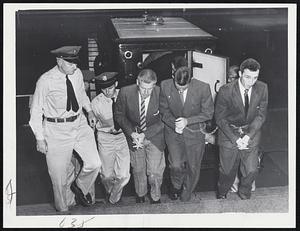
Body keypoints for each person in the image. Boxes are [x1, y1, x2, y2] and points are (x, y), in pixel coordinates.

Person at [29, 46, 101, 213]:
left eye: (76, 63)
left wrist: (89, 110)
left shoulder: (77, 74)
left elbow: (81, 95)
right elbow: (36, 110)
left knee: (94, 163)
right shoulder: (45, 81)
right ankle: (63, 212)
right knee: (59, 179)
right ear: (59, 61)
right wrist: (39, 138)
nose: (75, 67)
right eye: (70, 63)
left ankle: (79, 186)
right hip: (56, 130)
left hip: (79, 124)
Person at [215, 58, 268, 200]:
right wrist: (236, 139)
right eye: (248, 77)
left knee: (251, 170)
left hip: (251, 132)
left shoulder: (262, 88)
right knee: (227, 171)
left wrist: (248, 136)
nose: (251, 82)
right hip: (229, 133)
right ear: (240, 73)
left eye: (255, 77)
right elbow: (220, 119)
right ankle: (222, 193)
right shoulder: (225, 91)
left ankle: (245, 194)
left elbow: (261, 116)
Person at [159, 66, 214, 202]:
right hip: (173, 132)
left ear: (191, 80)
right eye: (178, 87)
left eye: (184, 88)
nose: (180, 90)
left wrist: (187, 121)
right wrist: (174, 123)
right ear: (173, 78)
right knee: (175, 164)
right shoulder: (165, 85)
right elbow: (163, 111)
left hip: (194, 132)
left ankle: (187, 191)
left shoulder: (203, 88)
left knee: (193, 166)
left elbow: (208, 113)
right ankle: (176, 185)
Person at [115, 69, 165, 204]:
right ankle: (141, 195)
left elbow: (165, 120)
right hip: (135, 136)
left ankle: (155, 197)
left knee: (154, 172)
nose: (146, 93)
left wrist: (145, 134)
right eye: (143, 88)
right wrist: (131, 133)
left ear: (154, 85)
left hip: (154, 136)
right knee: (138, 169)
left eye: (150, 89)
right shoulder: (125, 92)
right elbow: (119, 115)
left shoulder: (161, 93)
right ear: (138, 82)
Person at [91, 72, 130, 204]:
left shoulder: (125, 96)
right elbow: (91, 125)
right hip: (105, 138)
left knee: (123, 175)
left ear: (116, 84)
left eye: (110, 87)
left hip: (122, 137)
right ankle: (111, 192)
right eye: (103, 88)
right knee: (106, 176)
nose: (107, 91)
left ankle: (113, 198)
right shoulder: (96, 103)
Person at [227, 65, 257, 193]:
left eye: (231, 77)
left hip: (248, 132)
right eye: (228, 77)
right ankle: (234, 186)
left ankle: (249, 186)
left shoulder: (254, 92)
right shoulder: (227, 91)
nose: (229, 80)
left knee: (249, 163)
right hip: (232, 131)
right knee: (233, 160)